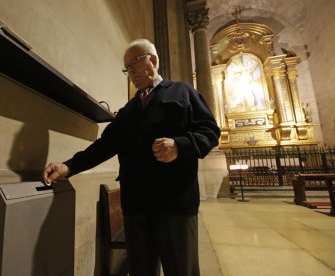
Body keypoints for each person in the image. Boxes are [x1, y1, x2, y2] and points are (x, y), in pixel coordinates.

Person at [42, 38, 220, 276]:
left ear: (153, 60)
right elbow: (103, 146)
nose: (130, 71)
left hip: (175, 206)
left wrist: (180, 145)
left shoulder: (183, 92)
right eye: (127, 67)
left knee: (182, 270)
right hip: (136, 208)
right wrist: (67, 167)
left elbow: (210, 132)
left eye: (134, 63)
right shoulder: (128, 111)